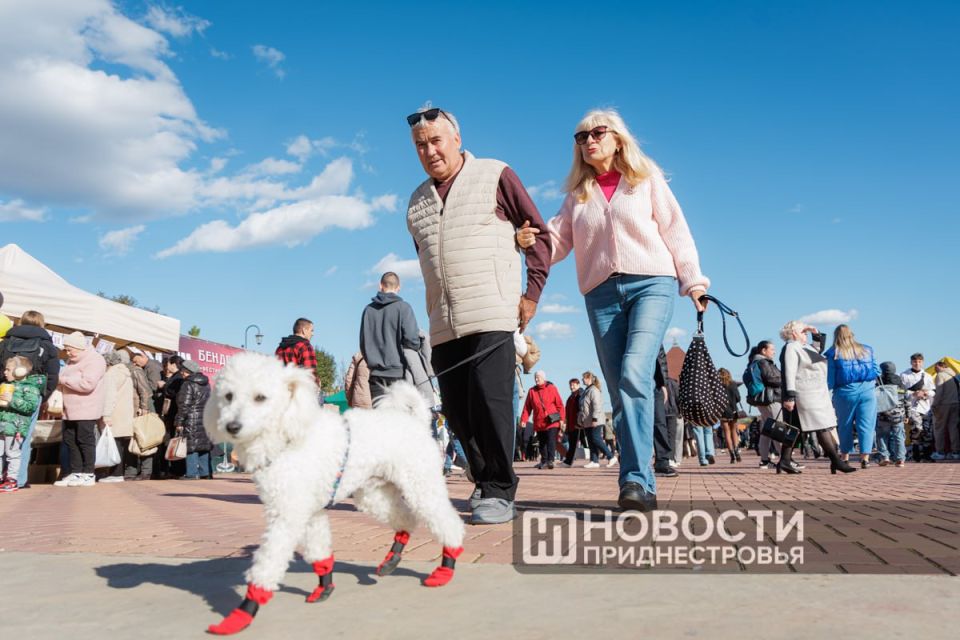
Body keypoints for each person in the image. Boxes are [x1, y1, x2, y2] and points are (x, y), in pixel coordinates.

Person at [517, 109, 710, 511]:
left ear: (618, 138)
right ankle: (637, 484)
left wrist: (693, 282)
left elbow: (676, 228)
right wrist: (524, 241)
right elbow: (555, 243)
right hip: (600, 294)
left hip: (651, 283)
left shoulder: (644, 179)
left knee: (634, 371)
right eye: (581, 135)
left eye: (597, 132)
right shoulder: (579, 193)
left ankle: (638, 479)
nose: (589, 140)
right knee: (621, 393)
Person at [405, 106, 551, 525]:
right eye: (420, 145)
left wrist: (531, 294)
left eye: (436, 141)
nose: (429, 150)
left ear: (456, 139)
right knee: (457, 409)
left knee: (491, 403)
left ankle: (499, 489)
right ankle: (484, 474)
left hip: (491, 313)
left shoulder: (495, 174)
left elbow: (538, 235)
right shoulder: (415, 203)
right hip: (443, 323)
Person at [779, 321, 856, 475]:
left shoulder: (803, 348)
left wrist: (815, 332)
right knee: (821, 426)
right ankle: (836, 461)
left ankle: (785, 461)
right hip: (804, 395)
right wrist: (789, 396)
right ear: (794, 333)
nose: (805, 334)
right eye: (803, 332)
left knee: (795, 429)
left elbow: (817, 350)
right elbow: (789, 371)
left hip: (813, 394)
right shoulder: (791, 347)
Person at [0, 309, 60, 487]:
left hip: (5, 391)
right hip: (32, 394)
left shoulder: (6, 342)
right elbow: (53, 375)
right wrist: (43, 395)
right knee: (23, 436)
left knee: (2, 435)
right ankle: (17, 479)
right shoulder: (48, 346)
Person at [360, 272, 422, 405]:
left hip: (376, 375)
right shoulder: (404, 308)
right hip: (399, 373)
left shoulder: (368, 310)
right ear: (399, 287)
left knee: (382, 422)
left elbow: (363, 343)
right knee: (401, 420)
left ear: (380, 285)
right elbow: (412, 340)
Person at [54, 331, 107, 487]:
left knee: (85, 441)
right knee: (70, 441)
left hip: (86, 408)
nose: (67, 352)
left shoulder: (95, 360)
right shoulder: (71, 361)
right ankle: (76, 472)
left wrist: (63, 380)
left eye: (70, 349)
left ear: (79, 347)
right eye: (66, 349)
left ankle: (88, 473)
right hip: (68, 409)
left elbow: (87, 384)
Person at [825, 325, 880, 468]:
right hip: (868, 391)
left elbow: (830, 379)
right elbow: (876, 370)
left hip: (844, 393)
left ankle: (845, 457)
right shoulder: (867, 349)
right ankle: (865, 458)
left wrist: (824, 392)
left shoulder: (833, 353)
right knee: (866, 426)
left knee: (845, 425)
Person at [0, 356, 45, 491]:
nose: (5, 372)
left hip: (16, 427)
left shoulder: (31, 389)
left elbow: (30, 407)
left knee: (13, 453)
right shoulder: (6, 385)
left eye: (8, 369)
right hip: (2, 425)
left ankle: (12, 480)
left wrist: (12, 400)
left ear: (20, 371)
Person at [98, 351, 135, 483]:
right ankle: (117, 472)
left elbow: (109, 396)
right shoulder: (125, 373)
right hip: (124, 413)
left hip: (115, 413)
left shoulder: (111, 374)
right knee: (119, 444)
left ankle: (115, 473)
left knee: (114, 443)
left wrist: (106, 414)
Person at [520, 371, 565, 470]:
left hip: (552, 420)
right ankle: (544, 460)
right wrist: (524, 419)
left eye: (538, 377)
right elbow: (527, 407)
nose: (536, 379)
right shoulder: (532, 391)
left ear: (544, 378)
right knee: (542, 442)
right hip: (539, 421)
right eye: (535, 377)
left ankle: (550, 460)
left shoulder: (552, 388)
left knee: (551, 440)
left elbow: (560, 405)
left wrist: (562, 418)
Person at [749, 341, 784, 468]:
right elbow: (771, 379)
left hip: (761, 400)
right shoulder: (763, 362)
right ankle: (785, 459)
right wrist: (786, 377)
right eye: (772, 349)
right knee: (778, 428)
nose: (774, 351)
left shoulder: (753, 362)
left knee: (767, 431)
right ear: (763, 351)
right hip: (770, 399)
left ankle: (764, 460)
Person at [175, 359, 213, 479]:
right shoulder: (206, 383)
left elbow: (184, 405)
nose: (182, 373)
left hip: (191, 418)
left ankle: (191, 473)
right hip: (204, 417)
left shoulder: (188, 384)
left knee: (191, 447)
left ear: (188, 371)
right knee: (203, 446)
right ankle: (204, 473)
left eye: (183, 371)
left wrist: (179, 421)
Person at [900, 353, 936, 461]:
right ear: (911, 362)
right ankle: (915, 455)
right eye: (915, 361)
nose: (917, 364)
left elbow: (933, 391)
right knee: (917, 429)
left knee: (927, 431)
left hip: (925, 407)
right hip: (912, 407)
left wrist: (926, 393)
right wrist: (913, 394)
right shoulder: (904, 375)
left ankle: (927, 455)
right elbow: (901, 391)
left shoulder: (928, 376)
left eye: (919, 361)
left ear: (922, 362)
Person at [580, 371, 617, 468]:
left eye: (584, 378)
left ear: (589, 379)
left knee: (596, 439)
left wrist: (594, 418)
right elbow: (583, 407)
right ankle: (594, 461)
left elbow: (597, 406)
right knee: (591, 440)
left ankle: (611, 456)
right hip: (587, 421)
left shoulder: (594, 390)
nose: (582, 380)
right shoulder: (586, 391)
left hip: (595, 420)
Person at [876, 361, 907, 467]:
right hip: (898, 415)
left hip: (883, 414)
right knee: (899, 437)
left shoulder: (879, 381)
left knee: (881, 436)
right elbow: (906, 400)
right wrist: (907, 414)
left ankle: (885, 457)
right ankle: (900, 460)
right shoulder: (900, 383)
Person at [275, 318, 320, 387]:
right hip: (299, 390)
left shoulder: (280, 348)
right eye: (311, 330)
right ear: (304, 330)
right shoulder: (305, 346)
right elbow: (310, 372)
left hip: (282, 389)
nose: (312, 334)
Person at [930, 360, 960, 460]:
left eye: (935, 368)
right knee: (953, 428)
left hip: (943, 405)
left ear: (940, 366)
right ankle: (956, 452)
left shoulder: (941, 375)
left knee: (939, 428)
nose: (935, 370)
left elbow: (939, 392)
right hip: (955, 403)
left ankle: (940, 452)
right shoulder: (954, 376)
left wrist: (934, 405)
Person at [561, 377, 588, 467]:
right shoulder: (570, 397)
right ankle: (568, 461)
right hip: (571, 424)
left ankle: (603, 457)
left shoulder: (580, 395)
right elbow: (567, 411)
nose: (572, 387)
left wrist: (580, 422)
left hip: (579, 424)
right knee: (572, 443)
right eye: (570, 385)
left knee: (589, 442)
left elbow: (582, 409)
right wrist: (565, 422)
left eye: (573, 385)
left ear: (578, 385)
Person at [718, 368, 742, 464]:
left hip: (723, 411)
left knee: (726, 433)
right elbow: (738, 398)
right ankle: (736, 451)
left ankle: (732, 455)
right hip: (733, 410)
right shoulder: (733, 384)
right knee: (734, 431)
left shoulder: (717, 386)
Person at [129, 348, 163, 412]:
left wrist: (140, 383)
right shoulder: (148, 365)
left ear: (143, 356)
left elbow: (154, 386)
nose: (135, 364)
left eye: (135, 361)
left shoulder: (152, 367)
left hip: (153, 400)